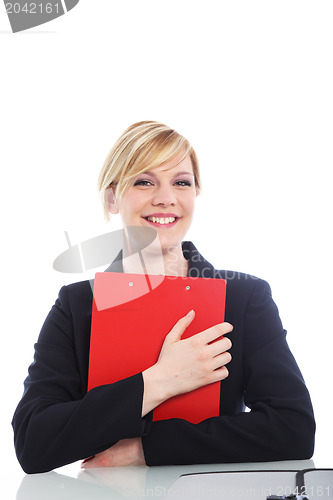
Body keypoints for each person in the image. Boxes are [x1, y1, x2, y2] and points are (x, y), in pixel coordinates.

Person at [12, 121, 315, 474]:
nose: (166, 198)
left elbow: (293, 429)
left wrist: (146, 449)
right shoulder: (77, 305)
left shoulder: (244, 298)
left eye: (181, 182)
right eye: (144, 181)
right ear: (112, 197)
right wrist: (158, 381)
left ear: (194, 194)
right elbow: (34, 442)